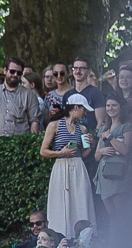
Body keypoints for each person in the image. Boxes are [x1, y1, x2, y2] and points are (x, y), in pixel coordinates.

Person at [41, 93, 97, 238]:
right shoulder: (54, 125)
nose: (85, 113)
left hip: (78, 167)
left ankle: (84, 237)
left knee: (80, 200)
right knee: (61, 203)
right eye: (83, 109)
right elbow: (43, 151)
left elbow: (83, 153)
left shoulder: (82, 129)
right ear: (76, 108)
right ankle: (60, 237)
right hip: (61, 167)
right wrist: (61, 152)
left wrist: (92, 145)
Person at [0, 59, 41, 137]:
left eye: (19, 73)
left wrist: (32, 141)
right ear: (5, 70)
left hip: (20, 142)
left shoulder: (29, 95)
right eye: (12, 71)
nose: (15, 75)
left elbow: (34, 122)